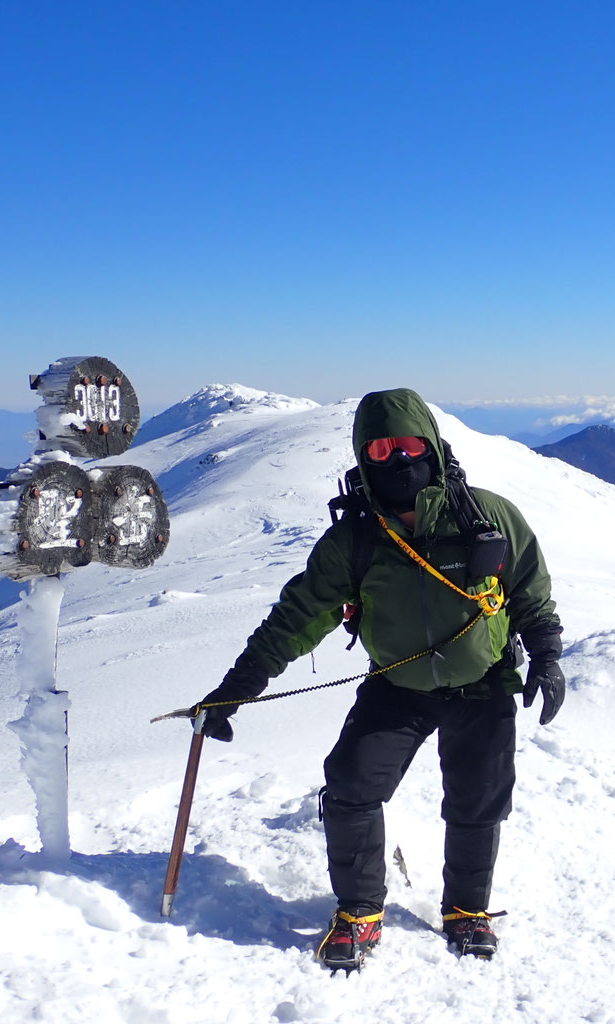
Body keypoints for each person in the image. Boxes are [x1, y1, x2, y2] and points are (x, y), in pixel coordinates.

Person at [193, 388, 565, 969]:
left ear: (434, 449)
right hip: (398, 688)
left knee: (478, 800)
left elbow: (530, 591)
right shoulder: (356, 540)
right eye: (381, 448)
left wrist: (546, 654)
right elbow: (297, 618)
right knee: (351, 786)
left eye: (409, 445)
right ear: (362, 459)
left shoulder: (489, 519)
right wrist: (236, 688)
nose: (397, 460)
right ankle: (360, 910)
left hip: (484, 683)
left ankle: (467, 910)